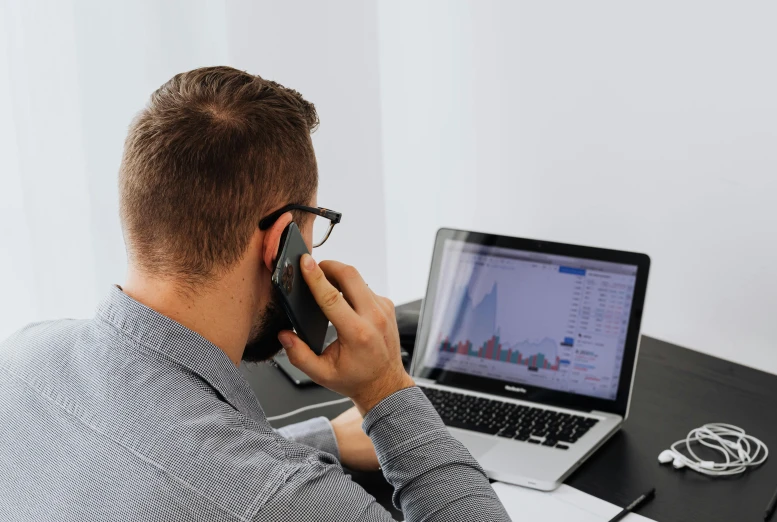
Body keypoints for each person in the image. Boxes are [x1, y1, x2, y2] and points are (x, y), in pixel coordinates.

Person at [0, 66, 510, 522]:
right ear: (281, 243)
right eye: (315, 225)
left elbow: (151, 462)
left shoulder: (22, 354)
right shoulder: (283, 498)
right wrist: (387, 392)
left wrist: (324, 439)